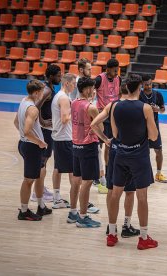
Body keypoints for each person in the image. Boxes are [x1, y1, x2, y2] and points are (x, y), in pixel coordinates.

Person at [108, 74, 158, 249]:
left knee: (115, 195)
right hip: (139, 157)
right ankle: (143, 238)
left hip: (121, 154)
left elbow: (114, 134)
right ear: (139, 88)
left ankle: (112, 234)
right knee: (141, 196)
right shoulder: (145, 108)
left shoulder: (115, 106)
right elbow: (153, 136)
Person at [91, 80, 140, 239]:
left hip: (115, 150)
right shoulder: (137, 106)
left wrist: (105, 139)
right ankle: (126, 224)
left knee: (112, 190)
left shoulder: (112, 106)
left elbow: (93, 123)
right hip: (131, 151)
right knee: (130, 191)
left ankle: (111, 225)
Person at [70, 77, 109, 228]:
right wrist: (106, 139)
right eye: (93, 88)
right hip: (88, 147)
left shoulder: (73, 103)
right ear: (87, 89)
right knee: (86, 183)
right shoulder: (91, 107)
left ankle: (73, 213)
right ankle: (83, 217)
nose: (94, 91)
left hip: (75, 145)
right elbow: (100, 128)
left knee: (76, 180)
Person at [14, 80, 52, 221]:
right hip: (32, 147)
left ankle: (40, 206)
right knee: (28, 180)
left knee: (39, 175)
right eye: (42, 92)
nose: (43, 94)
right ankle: (24, 211)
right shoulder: (33, 109)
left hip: (24, 145)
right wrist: (40, 142)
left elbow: (16, 122)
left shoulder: (23, 101)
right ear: (36, 92)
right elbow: (27, 130)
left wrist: (24, 137)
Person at [31, 65, 61, 203]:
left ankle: (40, 189)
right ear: (50, 76)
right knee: (42, 160)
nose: (60, 78)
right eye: (58, 76)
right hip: (45, 130)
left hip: (48, 130)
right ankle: (36, 192)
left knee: (44, 160)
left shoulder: (50, 88)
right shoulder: (47, 89)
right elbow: (35, 106)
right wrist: (42, 122)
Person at [94, 58, 121, 192]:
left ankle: (108, 170)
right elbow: (89, 93)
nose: (117, 71)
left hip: (113, 116)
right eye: (115, 69)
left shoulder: (119, 79)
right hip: (101, 116)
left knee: (109, 146)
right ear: (108, 69)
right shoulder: (99, 79)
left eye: (118, 69)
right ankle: (97, 175)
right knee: (97, 147)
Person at [51, 73, 76, 209]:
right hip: (65, 138)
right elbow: (65, 119)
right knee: (73, 171)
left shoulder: (58, 96)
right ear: (67, 83)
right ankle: (74, 203)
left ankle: (56, 198)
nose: (74, 86)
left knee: (58, 168)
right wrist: (76, 110)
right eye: (73, 84)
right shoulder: (64, 98)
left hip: (59, 137)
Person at [139, 74, 167, 183]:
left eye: (150, 84)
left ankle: (158, 174)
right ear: (142, 85)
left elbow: (163, 109)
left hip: (154, 127)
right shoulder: (139, 95)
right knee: (144, 152)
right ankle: (143, 174)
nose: (149, 86)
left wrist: (158, 109)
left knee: (158, 151)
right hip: (141, 128)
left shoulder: (158, 95)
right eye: (146, 85)